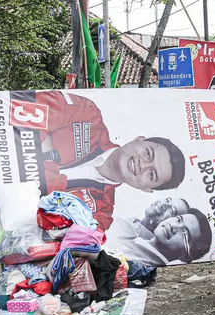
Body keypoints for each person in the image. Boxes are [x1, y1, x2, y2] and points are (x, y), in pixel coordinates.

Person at [27, 90, 186, 231]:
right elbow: (28, 108)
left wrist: (46, 153)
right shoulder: (88, 114)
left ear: (146, 189)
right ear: (139, 139)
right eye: (148, 154)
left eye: (151, 174)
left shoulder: (101, 215)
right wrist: (50, 190)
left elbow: (51, 228)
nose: (142, 165)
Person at [104, 208, 212, 267]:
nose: (173, 227)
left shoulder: (139, 265)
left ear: (185, 256)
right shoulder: (133, 236)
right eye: (178, 219)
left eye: (184, 233)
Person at [108, 197, 191, 243]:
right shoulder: (133, 222)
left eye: (172, 210)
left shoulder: (137, 241)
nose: (163, 204)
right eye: (167, 200)